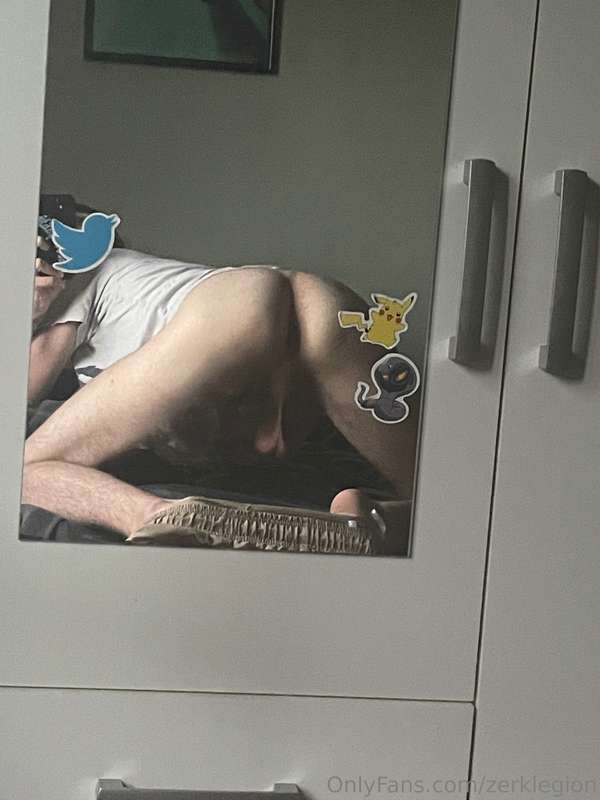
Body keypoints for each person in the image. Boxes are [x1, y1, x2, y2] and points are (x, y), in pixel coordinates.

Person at [24, 237, 417, 553]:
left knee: (21, 470)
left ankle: (161, 518)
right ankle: (374, 518)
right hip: (330, 307)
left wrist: (32, 314)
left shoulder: (71, 278)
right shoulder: (129, 273)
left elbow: (25, 389)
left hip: (234, 308)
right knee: (434, 495)